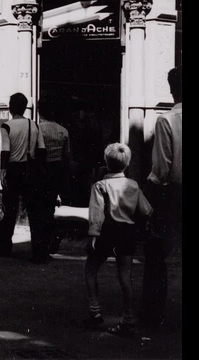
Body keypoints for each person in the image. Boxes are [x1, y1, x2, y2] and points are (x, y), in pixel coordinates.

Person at [83, 142, 153, 337]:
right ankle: (128, 319)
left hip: (107, 232)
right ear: (127, 163)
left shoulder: (100, 186)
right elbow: (146, 211)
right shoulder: (133, 185)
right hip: (127, 233)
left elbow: (96, 214)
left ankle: (95, 310)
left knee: (91, 269)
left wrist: (93, 236)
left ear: (106, 162)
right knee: (125, 276)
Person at [140, 66, 182, 328]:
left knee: (156, 253)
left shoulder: (166, 120)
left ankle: (154, 313)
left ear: (171, 88)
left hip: (174, 194)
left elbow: (161, 168)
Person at [0, 92, 47, 261]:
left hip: (13, 170)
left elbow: (6, 151)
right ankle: (39, 251)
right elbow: (42, 150)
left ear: (11, 107)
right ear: (24, 108)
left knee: (10, 210)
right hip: (31, 171)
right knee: (34, 211)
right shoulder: (33, 125)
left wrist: (2, 171)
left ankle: (4, 245)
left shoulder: (6, 126)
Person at [36, 99, 72, 256]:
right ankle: (51, 238)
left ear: (39, 111)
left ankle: (42, 242)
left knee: (39, 207)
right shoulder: (63, 131)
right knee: (51, 206)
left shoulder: (37, 129)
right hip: (56, 170)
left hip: (41, 169)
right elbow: (67, 156)